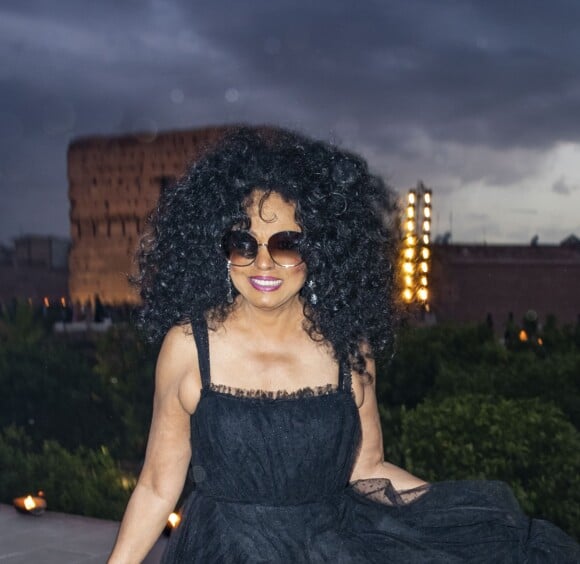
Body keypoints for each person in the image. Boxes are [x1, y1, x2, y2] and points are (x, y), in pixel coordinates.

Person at [109, 127, 580, 563]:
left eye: (286, 243)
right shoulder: (189, 347)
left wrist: (466, 523)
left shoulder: (346, 352)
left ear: (321, 249)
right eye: (244, 243)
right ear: (220, 249)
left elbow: (367, 468)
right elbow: (155, 486)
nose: (264, 263)